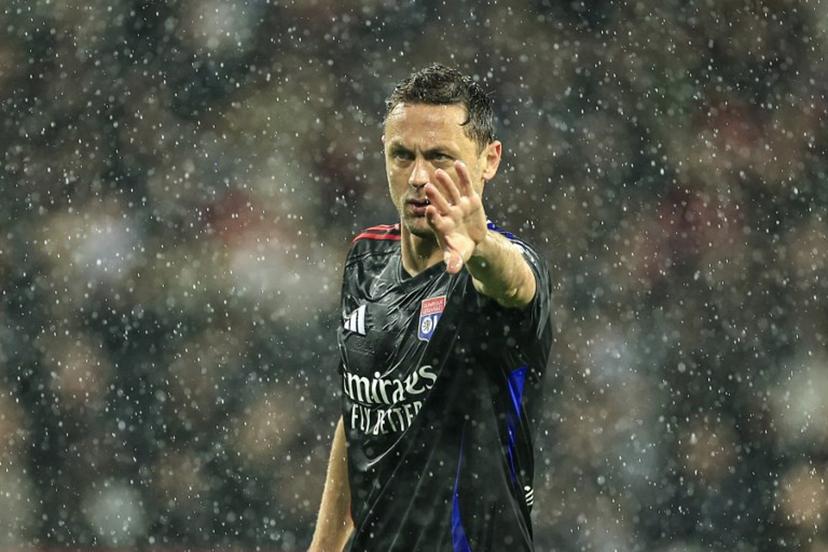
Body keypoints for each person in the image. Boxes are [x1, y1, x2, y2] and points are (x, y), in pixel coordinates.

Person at [310, 63, 553, 551]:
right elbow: (359, 417)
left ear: (489, 160)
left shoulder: (491, 274)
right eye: (402, 155)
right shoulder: (365, 260)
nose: (418, 176)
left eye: (440, 156)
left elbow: (513, 283)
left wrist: (480, 247)